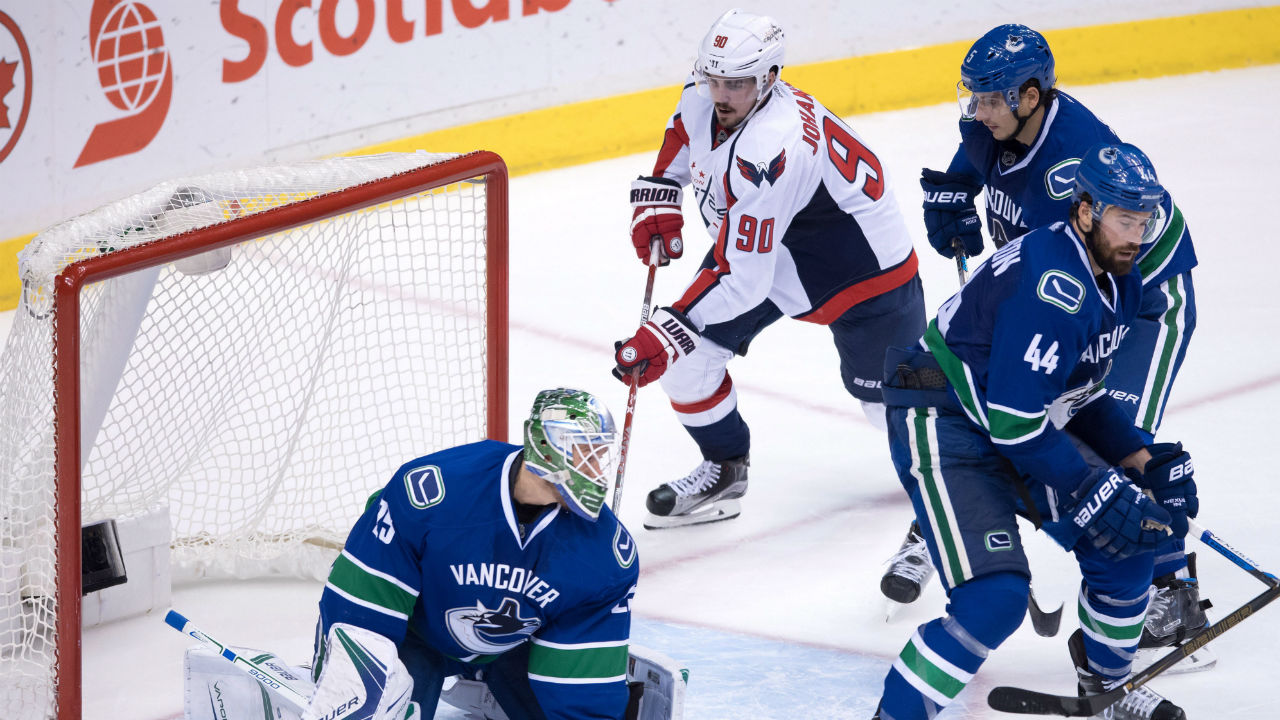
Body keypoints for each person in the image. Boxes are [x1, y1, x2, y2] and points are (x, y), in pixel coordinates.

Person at [881, 24, 1206, 661]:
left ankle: (1172, 587)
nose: (979, 110)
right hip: (1067, 302)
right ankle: (954, 518)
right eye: (974, 97)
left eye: (992, 99)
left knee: (1101, 441)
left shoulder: (1068, 174)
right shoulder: (995, 120)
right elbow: (976, 152)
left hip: (1140, 305)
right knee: (1003, 408)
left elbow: (1061, 296)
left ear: (1031, 97)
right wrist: (956, 192)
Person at [614, 8, 926, 529]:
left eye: (736, 83)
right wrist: (660, 197)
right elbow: (681, 138)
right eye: (713, 77)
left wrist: (664, 331)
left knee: (895, 406)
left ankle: (980, 463)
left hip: (861, 271)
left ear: (769, 79)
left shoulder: (771, 147)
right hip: (765, 250)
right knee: (688, 361)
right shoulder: (707, 92)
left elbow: (741, 279)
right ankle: (725, 469)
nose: (720, 94)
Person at [306, 388, 641, 720]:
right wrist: (347, 685)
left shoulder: (605, 551)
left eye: (600, 456)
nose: (597, 471)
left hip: (513, 647)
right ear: (544, 445)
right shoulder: (435, 491)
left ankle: (484, 676)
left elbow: (582, 690)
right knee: (373, 703)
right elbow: (364, 606)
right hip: (414, 635)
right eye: (587, 453)